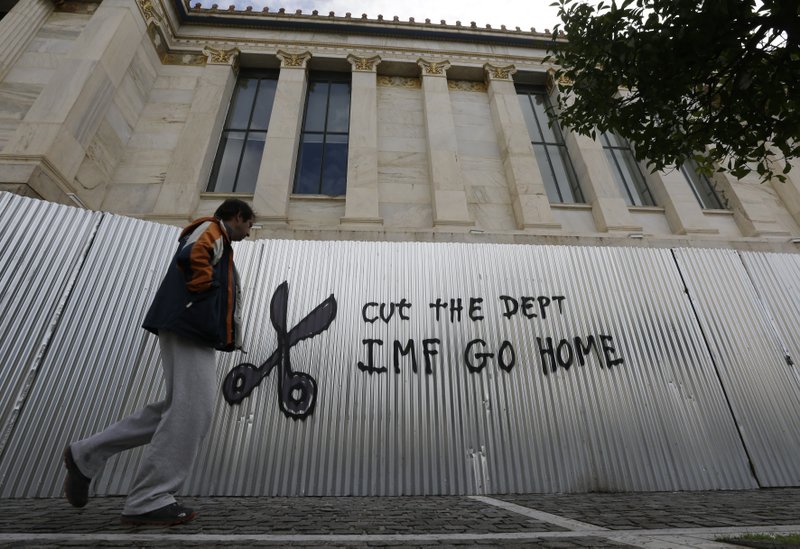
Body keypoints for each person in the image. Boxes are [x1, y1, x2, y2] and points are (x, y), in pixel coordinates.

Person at [62, 199, 254, 526]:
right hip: (189, 326)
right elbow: (193, 258)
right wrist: (202, 296)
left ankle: (86, 454)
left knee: (175, 409)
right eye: (249, 225)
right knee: (192, 410)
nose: (250, 233)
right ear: (237, 217)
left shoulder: (217, 236)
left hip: (191, 328)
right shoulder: (212, 230)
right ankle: (149, 498)